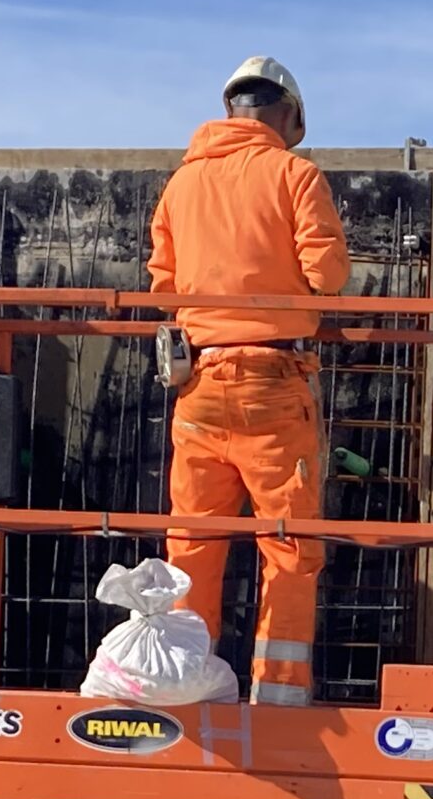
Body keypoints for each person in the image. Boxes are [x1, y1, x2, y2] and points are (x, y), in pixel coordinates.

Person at [147, 56, 349, 706]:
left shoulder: (182, 184)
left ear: (232, 108)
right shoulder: (295, 173)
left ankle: (182, 682)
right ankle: (279, 698)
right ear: (287, 115)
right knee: (288, 546)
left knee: (194, 542)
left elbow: (162, 286)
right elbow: (330, 276)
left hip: (197, 382)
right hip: (273, 379)